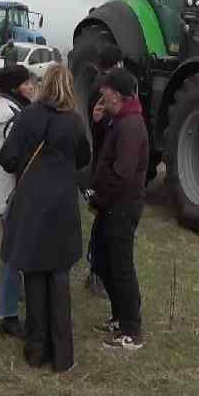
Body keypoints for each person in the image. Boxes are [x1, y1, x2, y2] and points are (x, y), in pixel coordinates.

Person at [0, 64, 91, 372]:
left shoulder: (28, 117)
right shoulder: (75, 123)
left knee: (35, 273)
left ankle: (36, 350)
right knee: (59, 275)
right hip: (62, 204)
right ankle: (63, 355)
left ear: (44, 84)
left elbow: (7, 159)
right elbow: (84, 159)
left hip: (33, 203)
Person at [89, 67, 149, 350]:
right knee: (101, 260)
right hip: (110, 205)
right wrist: (98, 125)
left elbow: (122, 174)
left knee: (121, 267)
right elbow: (103, 155)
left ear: (118, 94)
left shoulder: (131, 126)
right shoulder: (118, 121)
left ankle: (132, 331)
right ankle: (119, 315)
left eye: (106, 89)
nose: (102, 92)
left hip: (121, 207)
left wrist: (99, 198)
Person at [0, 64, 36, 338]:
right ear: (17, 87)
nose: (32, 88)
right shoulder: (12, 118)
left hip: (2, 192)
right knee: (13, 256)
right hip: (11, 195)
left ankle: (14, 301)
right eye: (28, 83)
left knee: (12, 252)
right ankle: (8, 316)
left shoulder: (3, 110)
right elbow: (14, 159)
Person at [84, 44, 124, 297]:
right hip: (103, 160)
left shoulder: (99, 86)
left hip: (101, 158)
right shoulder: (103, 91)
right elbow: (103, 125)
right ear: (116, 63)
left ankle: (96, 271)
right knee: (102, 221)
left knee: (103, 219)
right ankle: (95, 273)